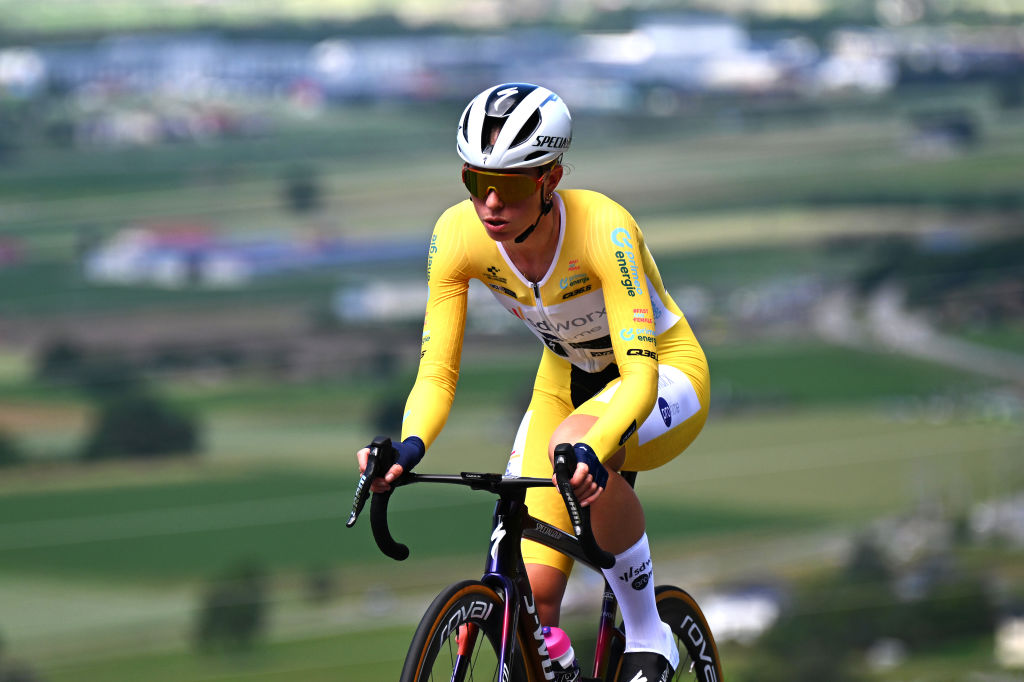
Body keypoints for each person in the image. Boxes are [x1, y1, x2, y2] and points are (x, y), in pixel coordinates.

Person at [356, 82, 709, 681]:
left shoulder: (604, 228)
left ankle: (650, 634)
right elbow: (437, 372)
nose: (490, 203)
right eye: (475, 182)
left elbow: (639, 374)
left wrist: (597, 444)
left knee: (574, 441)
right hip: (563, 379)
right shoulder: (458, 235)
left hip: (662, 373)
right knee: (534, 596)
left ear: (550, 180)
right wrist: (408, 446)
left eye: (512, 185)